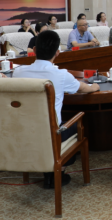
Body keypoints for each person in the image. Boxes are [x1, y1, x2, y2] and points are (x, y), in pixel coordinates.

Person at [14, 30, 99, 189]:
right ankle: (57, 172)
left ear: (34, 50)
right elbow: (83, 88)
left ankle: (47, 172)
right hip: (51, 134)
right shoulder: (61, 74)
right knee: (74, 124)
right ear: (57, 53)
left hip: (23, 131)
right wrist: (95, 86)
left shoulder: (17, 72)